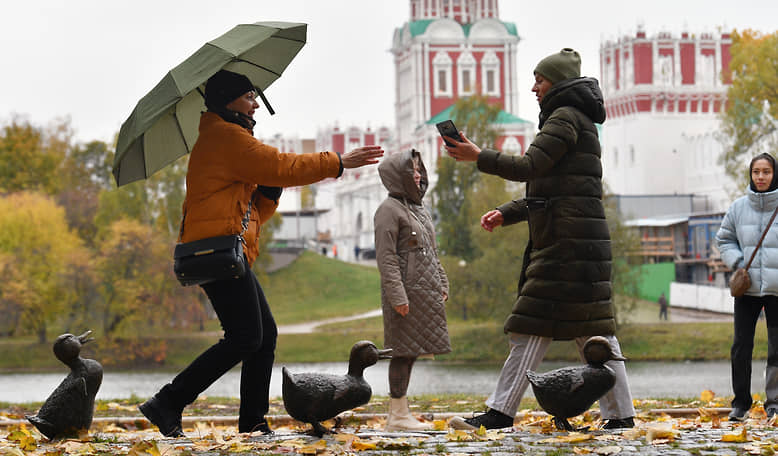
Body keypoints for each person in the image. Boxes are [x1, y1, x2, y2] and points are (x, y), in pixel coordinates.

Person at [138, 69, 383, 437]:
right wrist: (337, 162)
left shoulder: (229, 137)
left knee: (263, 334)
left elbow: (253, 215)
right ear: (229, 100)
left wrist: (269, 192)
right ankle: (169, 402)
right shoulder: (225, 137)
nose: (256, 102)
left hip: (226, 249)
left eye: (255, 95)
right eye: (249, 95)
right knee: (245, 337)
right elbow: (283, 165)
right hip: (215, 251)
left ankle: (252, 422)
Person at [444, 48, 635, 430]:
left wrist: (478, 155)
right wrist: (508, 212)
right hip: (578, 243)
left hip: (566, 246)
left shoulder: (564, 118)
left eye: (540, 80)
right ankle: (620, 415)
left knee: (532, 327)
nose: (533, 87)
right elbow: (554, 189)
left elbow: (529, 167)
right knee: (592, 331)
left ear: (558, 83)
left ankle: (499, 413)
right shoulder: (573, 119)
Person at [374, 150, 451, 430]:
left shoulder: (419, 209)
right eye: (412, 171)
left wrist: (442, 282)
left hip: (424, 292)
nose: (417, 175)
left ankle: (402, 412)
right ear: (399, 176)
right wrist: (397, 295)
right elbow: (386, 258)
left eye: (419, 170)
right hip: (406, 293)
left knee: (413, 351)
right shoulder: (388, 210)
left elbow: (431, 251)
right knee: (402, 352)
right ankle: (396, 416)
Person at [716, 152, 778, 422]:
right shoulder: (738, 207)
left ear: (774, 174)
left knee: (777, 349)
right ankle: (740, 403)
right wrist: (739, 262)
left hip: (777, 290)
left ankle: (774, 403)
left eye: (766, 171)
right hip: (747, 290)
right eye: (756, 172)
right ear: (750, 175)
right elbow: (724, 239)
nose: (761, 177)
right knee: (741, 347)